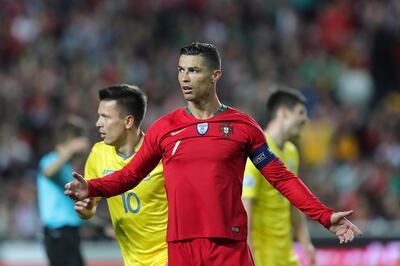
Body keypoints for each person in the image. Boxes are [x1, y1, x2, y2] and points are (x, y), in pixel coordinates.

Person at [65, 42, 362, 266]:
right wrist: (91, 187)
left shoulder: (243, 127)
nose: (185, 78)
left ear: (215, 75)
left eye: (193, 70)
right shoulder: (164, 129)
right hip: (180, 248)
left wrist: (324, 216)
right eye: (181, 70)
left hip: (228, 246)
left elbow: (281, 178)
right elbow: (130, 175)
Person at [73, 84, 168, 265]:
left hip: (168, 258)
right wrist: (86, 210)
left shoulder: (161, 155)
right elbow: (91, 206)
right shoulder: (98, 154)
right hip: (131, 261)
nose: (98, 123)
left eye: (105, 117)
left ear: (128, 122)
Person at [242, 88, 315, 266]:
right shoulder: (257, 152)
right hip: (261, 257)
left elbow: (294, 202)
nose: (306, 119)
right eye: (300, 113)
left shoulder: (291, 153)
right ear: (283, 112)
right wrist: (247, 252)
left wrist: (306, 243)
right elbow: (245, 205)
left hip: (287, 255)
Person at [37, 116, 89, 266]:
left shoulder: (67, 168)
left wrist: (101, 228)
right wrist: (71, 150)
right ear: (73, 139)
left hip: (71, 232)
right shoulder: (49, 160)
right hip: (57, 233)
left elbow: (70, 206)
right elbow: (48, 172)